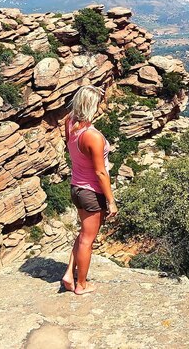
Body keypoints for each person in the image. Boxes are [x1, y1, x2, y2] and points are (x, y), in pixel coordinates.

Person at [61, 85, 118, 295]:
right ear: (92, 106)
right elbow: (101, 173)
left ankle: (69, 273)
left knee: (83, 234)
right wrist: (110, 200)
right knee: (87, 239)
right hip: (91, 192)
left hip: (76, 187)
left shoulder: (70, 123)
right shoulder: (92, 136)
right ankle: (81, 284)